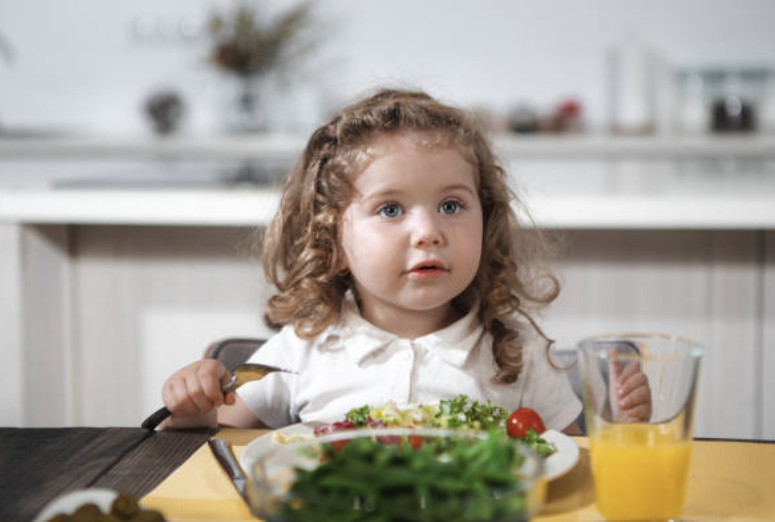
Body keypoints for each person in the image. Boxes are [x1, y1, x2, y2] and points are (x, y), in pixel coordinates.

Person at [160, 88, 650, 433]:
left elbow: (568, 457)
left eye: (452, 206)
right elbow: (220, 438)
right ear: (332, 238)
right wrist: (196, 406)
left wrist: (621, 429)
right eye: (391, 209)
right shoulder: (303, 350)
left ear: (488, 218)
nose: (429, 232)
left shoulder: (516, 351)